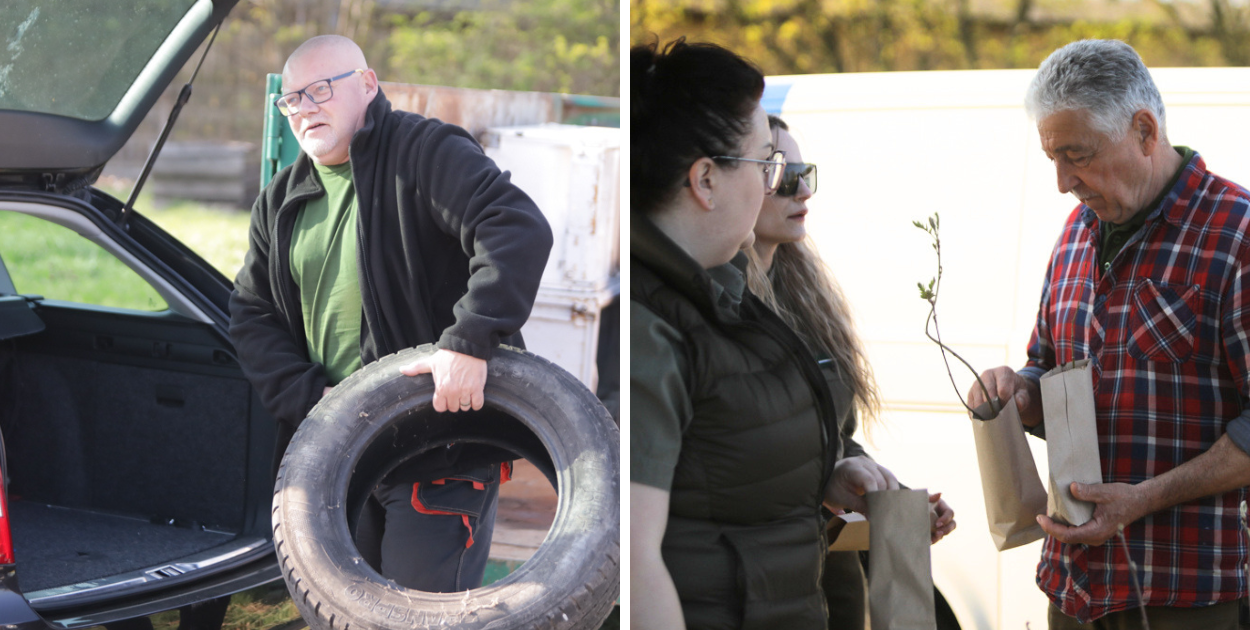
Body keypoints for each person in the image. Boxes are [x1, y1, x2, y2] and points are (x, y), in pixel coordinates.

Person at [229, 35, 552, 593]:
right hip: (336, 453)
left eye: (320, 90)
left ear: (369, 83)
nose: (304, 108)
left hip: (436, 444)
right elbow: (251, 311)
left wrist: (468, 340)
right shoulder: (279, 199)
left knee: (421, 614)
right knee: (346, 612)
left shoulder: (424, 152)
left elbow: (514, 226)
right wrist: (313, 401)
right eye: (292, 100)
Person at [969, 39, 1250, 629]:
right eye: (1052, 158)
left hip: (1187, 596)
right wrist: (1018, 394)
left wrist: (1141, 500)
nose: (1063, 180)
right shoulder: (1076, 230)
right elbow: (1046, 368)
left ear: (1145, 131)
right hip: (1072, 590)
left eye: (1078, 154)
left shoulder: (1238, 234)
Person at [631, 38, 901, 630]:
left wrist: (827, 473)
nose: (786, 187)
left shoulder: (718, 293)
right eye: (769, 167)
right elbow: (637, 560)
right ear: (705, 180)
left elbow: (718, 469)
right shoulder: (652, 324)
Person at [745, 115, 956, 629]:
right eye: (781, 174)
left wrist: (889, 495)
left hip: (830, 574)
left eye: (806, 172)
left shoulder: (805, 299)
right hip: (762, 583)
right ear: (717, 181)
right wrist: (831, 479)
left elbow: (836, 440)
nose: (803, 190)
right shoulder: (714, 312)